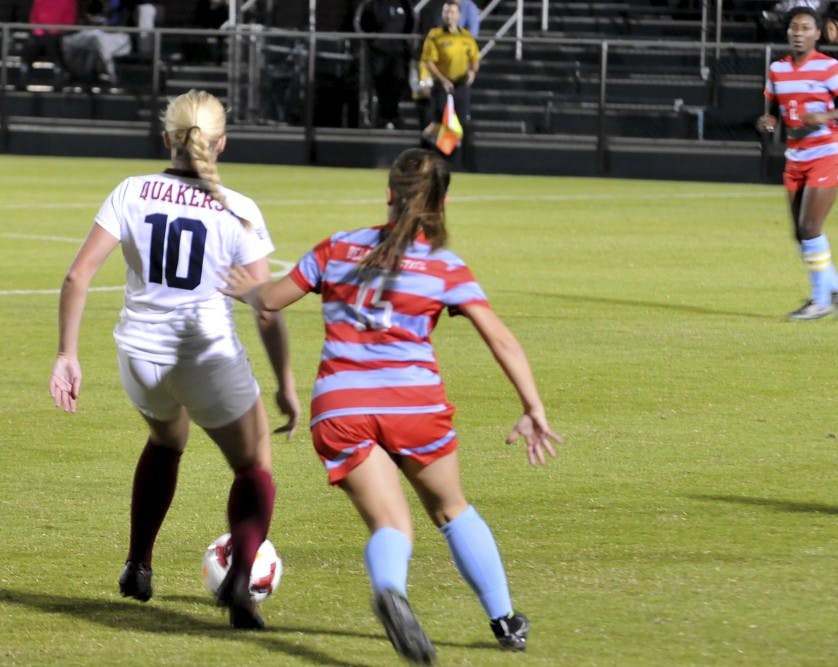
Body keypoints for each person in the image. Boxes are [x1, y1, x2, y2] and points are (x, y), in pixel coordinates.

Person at [219, 147, 562, 663]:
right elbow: (501, 339)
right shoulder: (445, 267)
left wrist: (250, 290)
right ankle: (506, 621)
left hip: (340, 409)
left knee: (391, 526)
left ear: (388, 195)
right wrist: (532, 406)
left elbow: (270, 301)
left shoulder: (336, 248)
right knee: (451, 510)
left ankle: (391, 589)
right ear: (441, 203)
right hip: (414, 407)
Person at [49, 89, 300, 629]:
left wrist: (67, 354)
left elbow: (77, 276)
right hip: (204, 356)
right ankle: (241, 585)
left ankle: (137, 565)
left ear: (166, 138)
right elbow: (265, 310)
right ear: (223, 143)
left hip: (138, 358)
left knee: (167, 440)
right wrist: (285, 383)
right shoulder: (240, 209)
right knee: (254, 465)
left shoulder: (131, 191)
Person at [756, 6, 838, 320]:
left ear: (818, 33)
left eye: (805, 27)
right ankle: (835, 287)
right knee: (800, 234)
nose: (798, 33)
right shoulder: (777, 68)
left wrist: (825, 115)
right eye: (794, 27)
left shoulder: (829, 67)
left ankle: (820, 301)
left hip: (828, 152)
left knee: (809, 228)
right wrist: (767, 122)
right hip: (796, 154)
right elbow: (772, 112)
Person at [420, 0, 479, 168]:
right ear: (442, 14)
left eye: (452, 12)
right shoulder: (435, 34)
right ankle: (428, 153)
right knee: (439, 122)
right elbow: (428, 61)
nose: (449, 16)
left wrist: (472, 71)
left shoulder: (466, 36)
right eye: (446, 12)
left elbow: (475, 58)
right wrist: (442, 79)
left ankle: (455, 162)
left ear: (459, 15)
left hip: (460, 85)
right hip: (442, 84)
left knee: (460, 122)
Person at [357, 0, 417, 129]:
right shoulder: (372, 4)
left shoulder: (404, 4)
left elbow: (411, 24)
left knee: (398, 83)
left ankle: (393, 116)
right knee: (381, 85)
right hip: (379, 53)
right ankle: (382, 117)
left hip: (398, 53)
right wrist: (373, 42)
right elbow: (362, 24)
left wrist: (405, 44)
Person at [18, 0, 78, 90]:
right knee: (33, 43)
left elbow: (70, 21)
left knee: (51, 42)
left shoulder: (70, 1)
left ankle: (59, 71)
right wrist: (40, 31)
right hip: (39, 34)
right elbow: (33, 19)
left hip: (58, 34)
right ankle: (24, 72)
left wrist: (54, 31)